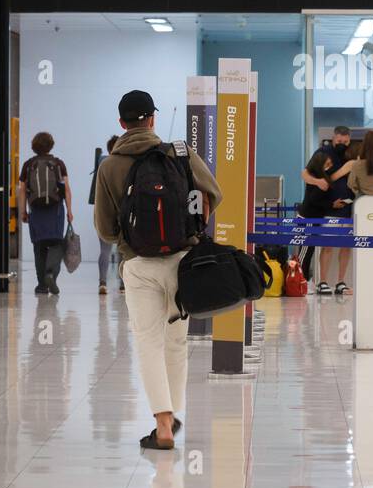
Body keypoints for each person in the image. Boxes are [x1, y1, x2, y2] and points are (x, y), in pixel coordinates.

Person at [94, 90, 222, 452]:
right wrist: (193, 227)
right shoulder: (179, 153)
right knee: (176, 343)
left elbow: (104, 228)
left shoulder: (110, 165)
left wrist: (128, 238)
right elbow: (214, 193)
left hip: (137, 265)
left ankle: (162, 424)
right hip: (182, 262)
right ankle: (174, 411)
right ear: (152, 119)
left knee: (148, 343)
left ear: (121, 123)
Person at [18, 131, 74, 297]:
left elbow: (22, 191)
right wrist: (69, 211)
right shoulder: (58, 164)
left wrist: (23, 211)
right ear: (51, 145)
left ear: (34, 147)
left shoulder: (28, 165)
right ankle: (51, 275)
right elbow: (66, 189)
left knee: (39, 247)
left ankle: (42, 285)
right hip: (55, 210)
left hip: (36, 210)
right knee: (56, 245)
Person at [299, 148, 351, 295]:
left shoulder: (321, 177)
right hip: (308, 218)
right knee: (305, 252)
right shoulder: (318, 180)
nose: (329, 166)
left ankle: (303, 282)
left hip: (315, 218)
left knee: (309, 251)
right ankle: (300, 281)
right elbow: (314, 200)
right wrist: (331, 205)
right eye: (327, 164)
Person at [92, 135, 124, 296]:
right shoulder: (125, 164)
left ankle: (102, 283)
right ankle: (123, 284)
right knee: (122, 250)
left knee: (104, 250)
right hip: (122, 213)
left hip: (103, 212)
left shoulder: (102, 163)